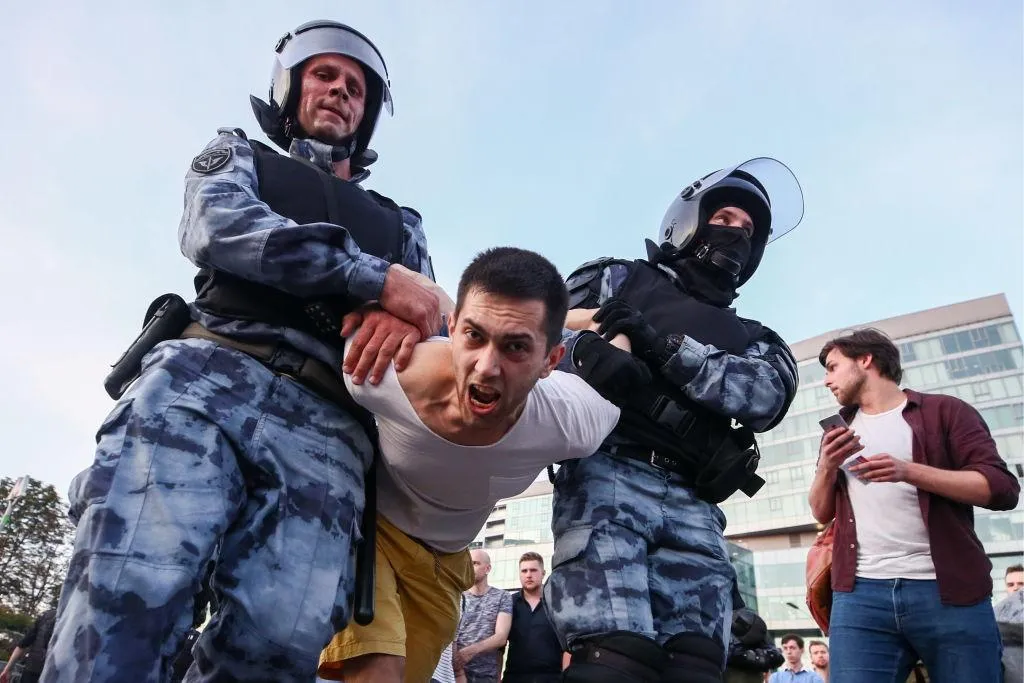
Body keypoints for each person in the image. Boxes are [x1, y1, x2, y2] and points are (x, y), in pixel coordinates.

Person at [42, 20, 446, 683]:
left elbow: (427, 327)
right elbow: (222, 226)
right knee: (123, 607)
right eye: (325, 74)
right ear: (289, 87)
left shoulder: (403, 227)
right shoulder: (239, 154)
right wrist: (375, 280)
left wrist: (410, 322)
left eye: (356, 88)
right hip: (204, 383)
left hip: (330, 432)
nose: (341, 92)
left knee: (275, 652)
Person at [317, 247, 649, 682]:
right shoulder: (382, 372)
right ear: (451, 330)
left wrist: (603, 324)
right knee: (377, 671)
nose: (487, 367)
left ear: (551, 361)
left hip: (444, 563)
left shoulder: (572, 422)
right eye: (474, 337)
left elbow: (616, 368)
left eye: (515, 348)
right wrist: (377, 306)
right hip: (368, 533)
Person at [548, 158, 803, 683]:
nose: (736, 235)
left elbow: (764, 396)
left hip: (695, 503)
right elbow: (533, 329)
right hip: (607, 480)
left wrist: (663, 347)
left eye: (748, 232)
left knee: (696, 668)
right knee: (613, 663)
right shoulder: (615, 278)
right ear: (688, 220)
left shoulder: (758, 337)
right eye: (726, 219)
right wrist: (585, 353)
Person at [809, 328, 1020, 683]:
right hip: (860, 595)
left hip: (949, 591)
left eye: (832, 367)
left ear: (865, 360)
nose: (827, 381)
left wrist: (908, 471)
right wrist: (826, 466)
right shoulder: (839, 430)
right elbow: (819, 512)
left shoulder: (946, 411)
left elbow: (1001, 489)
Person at [502, 552, 567, 683]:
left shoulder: (558, 602)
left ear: (543, 573)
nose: (528, 575)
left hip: (552, 678)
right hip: (514, 677)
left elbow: (569, 645)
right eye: (524, 571)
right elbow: (500, 645)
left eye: (533, 570)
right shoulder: (509, 602)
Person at [454, 550, 514, 683]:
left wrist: (469, 651)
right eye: (468, 563)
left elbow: (501, 637)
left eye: (475, 563)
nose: (470, 567)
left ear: (487, 568)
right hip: (455, 673)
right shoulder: (457, 596)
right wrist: (459, 670)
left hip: (486, 675)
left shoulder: (502, 597)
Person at [0, 609, 56, 683]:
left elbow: (22, 645)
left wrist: (7, 669)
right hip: (52, 674)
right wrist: (7, 669)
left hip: (33, 670)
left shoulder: (47, 616)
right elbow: (22, 645)